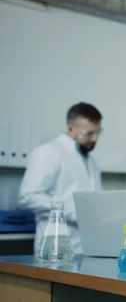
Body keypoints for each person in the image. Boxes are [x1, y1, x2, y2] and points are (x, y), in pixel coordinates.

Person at [19, 102, 103, 254]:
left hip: (86, 246)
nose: (95, 138)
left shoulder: (92, 161)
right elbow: (28, 197)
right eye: (89, 133)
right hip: (55, 244)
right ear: (70, 129)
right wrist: (73, 212)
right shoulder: (48, 152)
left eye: (98, 132)